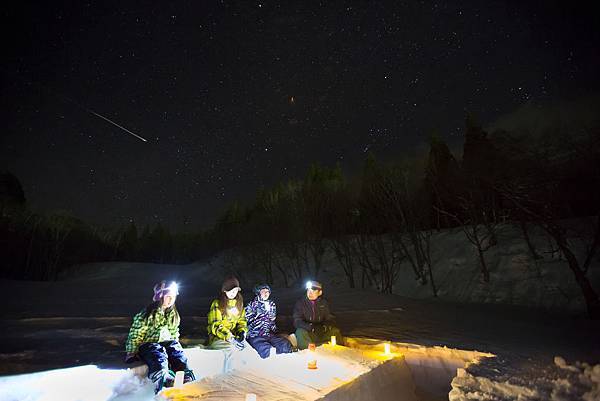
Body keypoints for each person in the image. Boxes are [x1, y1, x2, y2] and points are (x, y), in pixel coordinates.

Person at [125, 281, 196, 394]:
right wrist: (131, 352)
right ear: (160, 297)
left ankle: (183, 373)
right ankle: (161, 375)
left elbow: (174, 332)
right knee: (157, 352)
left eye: (173, 297)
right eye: (168, 297)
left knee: (175, 349)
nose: (170, 300)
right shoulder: (147, 314)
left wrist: (175, 343)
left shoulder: (173, 314)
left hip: (166, 342)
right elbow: (136, 333)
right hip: (148, 344)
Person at [245, 283, 293, 358]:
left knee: (284, 344)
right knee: (266, 349)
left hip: (268, 334)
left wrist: (273, 325)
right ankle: (270, 362)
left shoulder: (271, 304)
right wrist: (261, 317)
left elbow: (272, 322)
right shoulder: (252, 305)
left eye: (267, 291)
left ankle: (286, 360)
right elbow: (247, 321)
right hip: (255, 335)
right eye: (263, 291)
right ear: (258, 292)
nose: (266, 293)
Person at [293, 280, 343, 350]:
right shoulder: (301, 303)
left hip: (321, 332)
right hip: (309, 333)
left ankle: (340, 350)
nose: (310, 293)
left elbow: (330, 317)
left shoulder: (324, 303)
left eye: (313, 291)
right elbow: (297, 321)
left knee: (335, 331)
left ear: (320, 292)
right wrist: (310, 327)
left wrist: (326, 326)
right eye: (308, 291)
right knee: (300, 332)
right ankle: (309, 348)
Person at [207, 275, 248, 350]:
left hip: (234, 337)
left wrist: (242, 332)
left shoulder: (239, 304)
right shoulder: (217, 304)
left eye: (235, 290)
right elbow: (216, 325)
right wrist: (230, 337)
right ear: (225, 290)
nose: (233, 293)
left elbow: (242, 321)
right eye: (231, 290)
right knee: (232, 350)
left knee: (247, 350)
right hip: (218, 337)